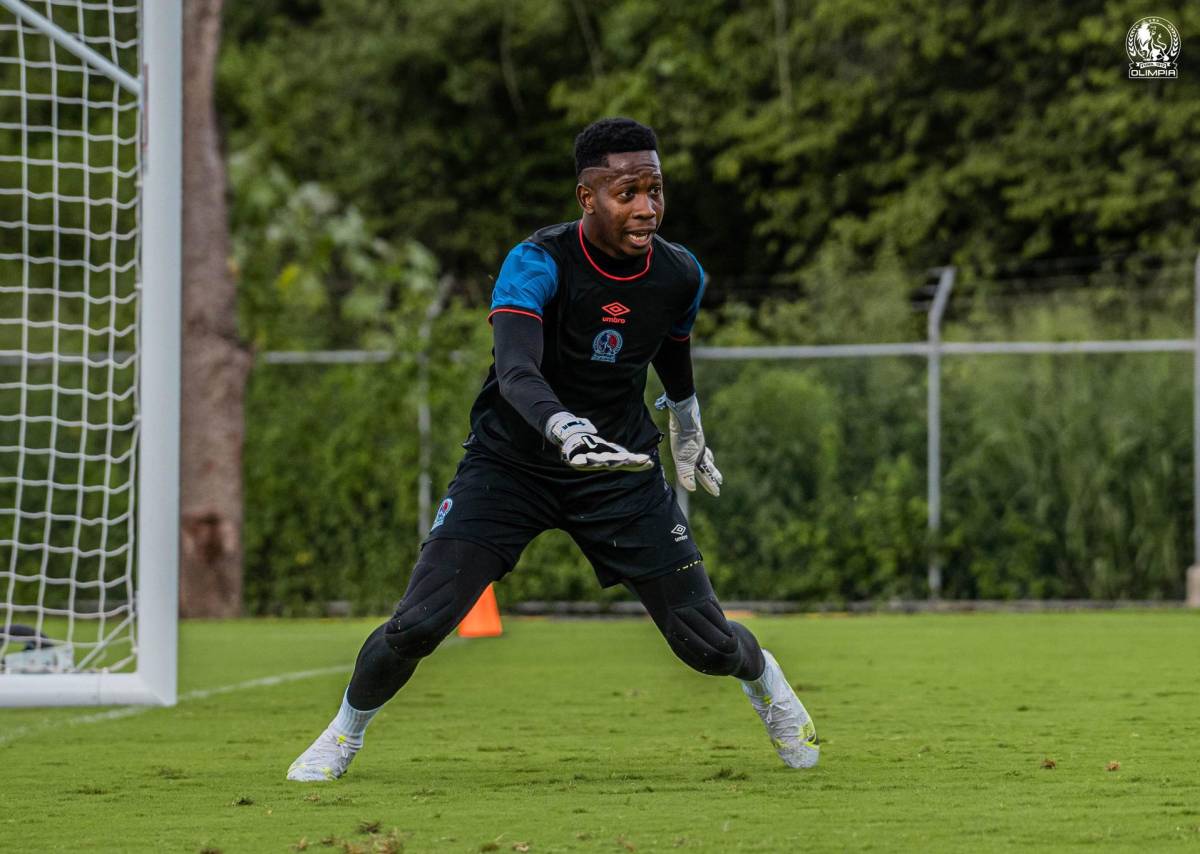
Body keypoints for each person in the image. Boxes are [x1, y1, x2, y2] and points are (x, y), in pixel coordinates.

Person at [287, 118, 819, 781]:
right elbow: (515, 372)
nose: (648, 208)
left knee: (706, 646)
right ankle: (342, 735)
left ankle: (765, 681)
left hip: (617, 469)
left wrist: (687, 423)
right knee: (419, 623)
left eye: (656, 190)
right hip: (510, 464)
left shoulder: (681, 273)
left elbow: (672, 351)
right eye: (629, 192)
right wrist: (563, 426)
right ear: (586, 197)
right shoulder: (536, 262)